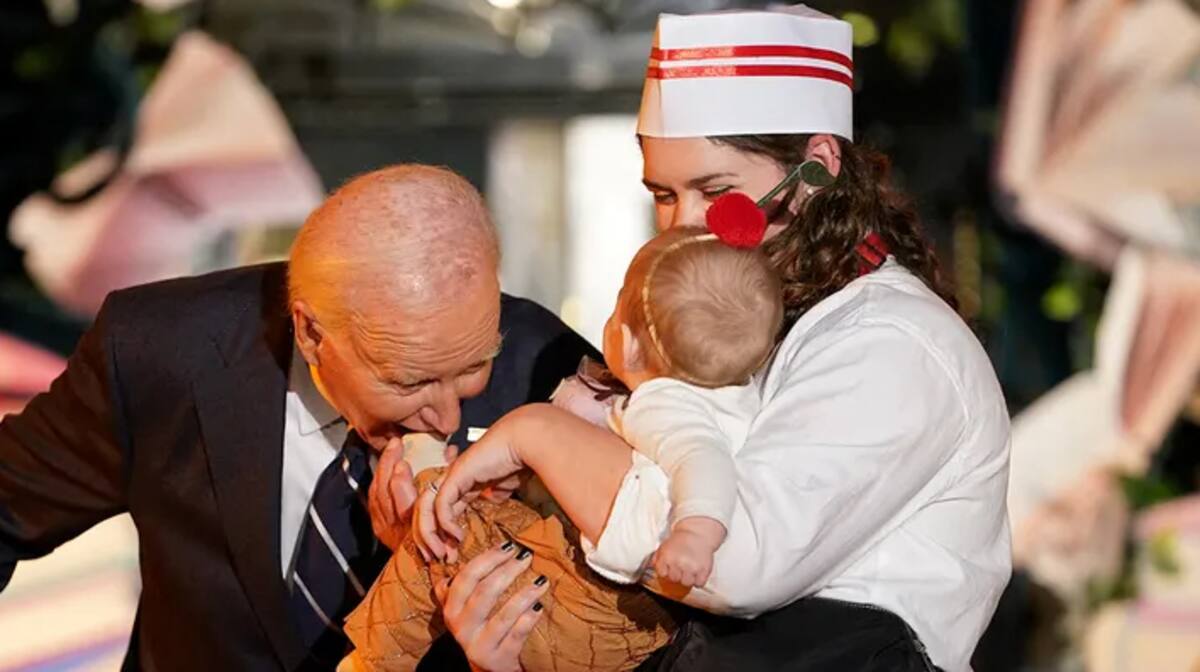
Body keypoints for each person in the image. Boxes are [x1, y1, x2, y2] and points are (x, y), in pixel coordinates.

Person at [413, 6, 1011, 672]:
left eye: (716, 192)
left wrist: (540, 437)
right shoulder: (739, 325)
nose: (683, 225)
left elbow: (731, 564)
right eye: (663, 196)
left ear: (817, 167)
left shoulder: (893, 344)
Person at [0, 164, 596, 670]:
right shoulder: (162, 352)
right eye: (409, 380)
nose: (445, 417)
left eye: (473, 366)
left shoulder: (549, 374)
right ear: (313, 334)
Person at [338, 224, 781, 671]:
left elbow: (703, 461)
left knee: (437, 519)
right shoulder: (735, 402)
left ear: (625, 342)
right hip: (620, 634)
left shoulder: (666, 405)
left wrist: (694, 534)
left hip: (578, 601)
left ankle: (371, 662)